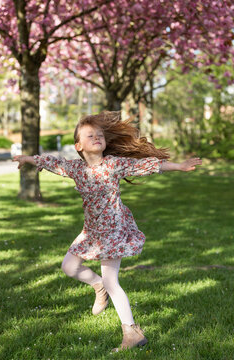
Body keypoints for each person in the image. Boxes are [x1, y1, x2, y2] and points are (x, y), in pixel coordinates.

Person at [13, 111, 202, 352]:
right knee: (69, 267)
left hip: (113, 230)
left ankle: (131, 332)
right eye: (90, 135)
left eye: (100, 135)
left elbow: (145, 165)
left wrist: (180, 166)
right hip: (91, 231)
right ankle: (97, 286)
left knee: (113, 281)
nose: (97, 137)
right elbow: (51, 162)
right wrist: (27, 158)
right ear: (78, 145)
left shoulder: (113, 164)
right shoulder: (76, 169)